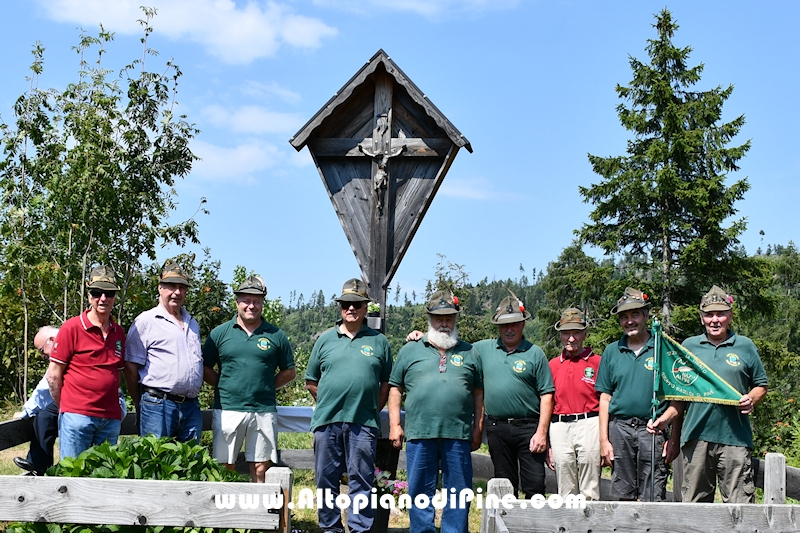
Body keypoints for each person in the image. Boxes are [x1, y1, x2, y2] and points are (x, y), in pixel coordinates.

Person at [648, 285, 768, 503]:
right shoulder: (688, 347)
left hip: (735, 439)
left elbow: (761, 385)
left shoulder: (745, 346)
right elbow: (679, 400)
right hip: (696, 439)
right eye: (709, 314)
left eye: (721, 314)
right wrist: (663, 421)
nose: (715, 320)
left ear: (730, 316)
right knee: (695, 507)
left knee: (740, 507)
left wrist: (752, 398)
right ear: (701, 317)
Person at [389, 291, 483, 533]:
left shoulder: (470, 352)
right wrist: (394, 425)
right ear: (429, 318)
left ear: (455, 320)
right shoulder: (409, 351)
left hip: (458, 433)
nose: (444, 323)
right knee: (419, 489)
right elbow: (395, 389)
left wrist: (478, 427)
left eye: (449, 318)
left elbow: (478, 394)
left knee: (459, 491)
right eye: (439, 318)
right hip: (420, 432)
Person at [305, 278, 393, 533]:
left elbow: (386, 384)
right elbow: (311, 381)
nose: (350, 308)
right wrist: (329, 403)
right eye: (345, 304)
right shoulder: (325, 340)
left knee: (362, 480)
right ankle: (330, 528)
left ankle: (359, 529)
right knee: (325, 480)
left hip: (363, 423)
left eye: (356, 304)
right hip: (327, 422)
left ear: (366, 307)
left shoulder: (379, 341)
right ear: (340, 307)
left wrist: (368, 408)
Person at [202, 275, 296, 482]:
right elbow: (205, 367)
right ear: (237, 302)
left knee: (261, 467)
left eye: (256, 301)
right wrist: (224, 385)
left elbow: (289, 371)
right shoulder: (220, 333)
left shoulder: (276, 335)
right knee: (224, 466)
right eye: (246, 300)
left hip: (263, 409)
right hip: (228, 407)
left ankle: (259, 512)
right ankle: (225, 513)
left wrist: (267, 387)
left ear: (262, 303)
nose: (251, 306)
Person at [473, 291, 554, 499]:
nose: (509, 329)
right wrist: (423, 336)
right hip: (496, 428)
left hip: (528, 427)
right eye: (504, 325)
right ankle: (505, 529)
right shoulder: (483, 349)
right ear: (498, 326)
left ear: (523, 324)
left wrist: (542, 433)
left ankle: (533, 528)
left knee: (535, 484)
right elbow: (453, 346)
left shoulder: (535, 353)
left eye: (514, 324)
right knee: (503, 484)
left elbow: (547, 395)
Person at [594, 286, 668, 501]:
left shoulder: (661, 348)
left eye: (635, 314)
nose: (629, 321)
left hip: (652, 429)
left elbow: (676, 398)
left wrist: (671, 432)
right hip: (620, 429)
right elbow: (605, 398)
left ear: (646, 315)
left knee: (653, 492)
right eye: (624, 316)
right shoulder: (612, 351)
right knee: (621, 493)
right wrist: (603, 441)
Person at [46, 265, 126, 459]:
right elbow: (53, 375)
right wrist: (66, 407)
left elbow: (119, 373)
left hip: (109, 419)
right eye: (97, 292)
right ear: (89, 296)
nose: (103, 298)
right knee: (73, 478)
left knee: (105, 478)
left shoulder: (119, 333)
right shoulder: (71, 328)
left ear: (115, 296)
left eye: (109, 293)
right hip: (77, 417)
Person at [124, 262, 203, 442]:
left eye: (182, 287)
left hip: (191, 405)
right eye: (171, 286)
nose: (177, 292)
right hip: (157, 404)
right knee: (155, 461)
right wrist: (140, 402)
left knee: (192, 463)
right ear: (160, 288)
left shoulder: (193, 324)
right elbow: (129, 366)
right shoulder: (146, 321)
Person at [547, 308, 602, 500]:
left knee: (590, 484)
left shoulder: (597, 362)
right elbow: (546, 403)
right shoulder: (553, 364)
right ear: (560, 335)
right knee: (565, 482)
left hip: (590, 422)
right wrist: (548, 443)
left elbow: (606, 400)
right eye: (566, 333)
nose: (571, 338)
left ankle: (590, 526)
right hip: (559, 425)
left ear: (585, 334)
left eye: (576, 332)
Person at [14, 326, 60, 475]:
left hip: (84, 399)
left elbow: (46, 387)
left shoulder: (63, 349)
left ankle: (39, 465)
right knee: (46, 413)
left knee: (46, 414)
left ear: (52, 341)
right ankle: (40, 465)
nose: (42, 356)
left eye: (42, 350)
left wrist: (26, 412)